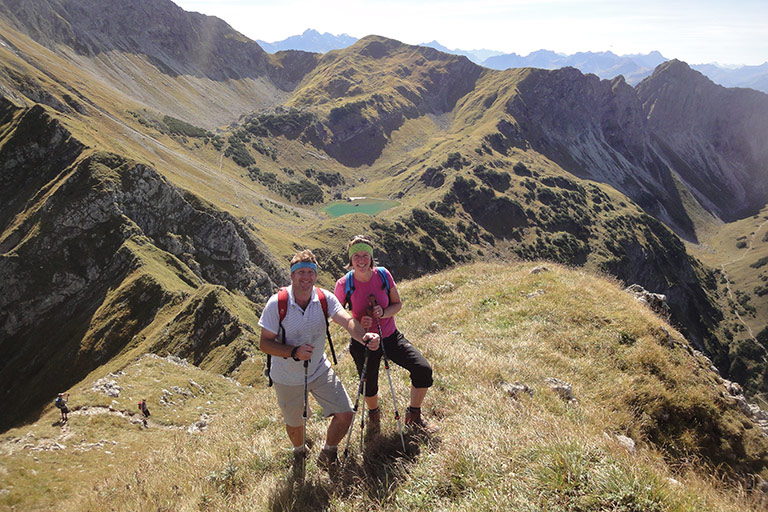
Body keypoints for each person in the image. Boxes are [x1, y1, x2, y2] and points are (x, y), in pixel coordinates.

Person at [259, 249, 380, 475]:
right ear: (292, 276)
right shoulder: (277, 304)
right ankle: (298, 451)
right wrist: (293, 351)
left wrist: (363, 336)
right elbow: (265, 344)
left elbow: (346, 320)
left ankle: (329, 452)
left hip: (318, 369)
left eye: (310, 272)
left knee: (345, 413)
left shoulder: (324, 298)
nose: (306, 277)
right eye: (301, 272)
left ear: (315, 275)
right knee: (296, 424)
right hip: (287, 376)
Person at [334, 235, 437, 435]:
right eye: (356, 256)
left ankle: (413, 415)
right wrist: (358, 323)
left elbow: (397, 304)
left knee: (423, 369)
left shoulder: (383, 275)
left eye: (365, 255)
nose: (361, 260)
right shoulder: (343, 284)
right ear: (350, 259)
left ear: (371, 257)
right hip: (363, 341)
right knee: (369, 384)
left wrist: (384, 312)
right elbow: (338, 313)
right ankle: (374, 415)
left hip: (390, 336)